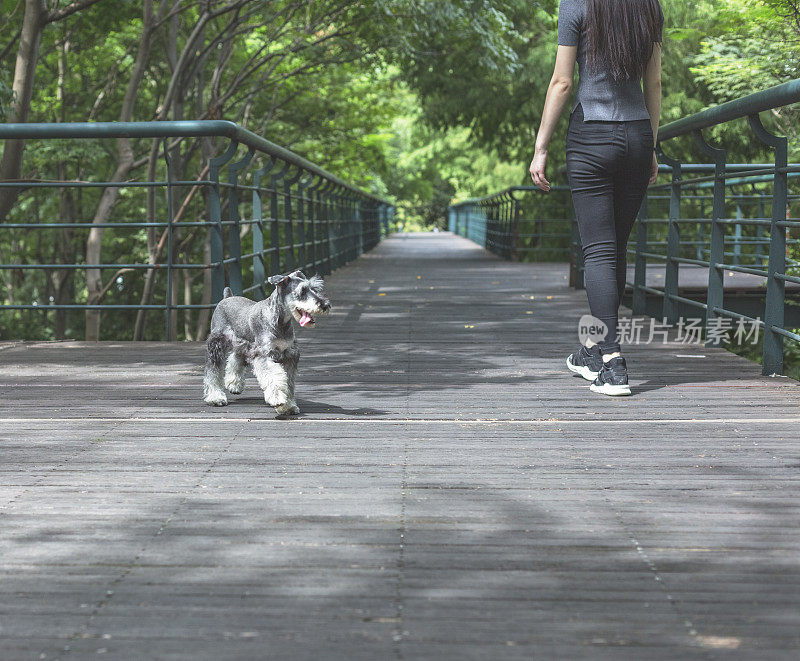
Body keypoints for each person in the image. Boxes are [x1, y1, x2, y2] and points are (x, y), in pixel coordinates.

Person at [529, 0, 663, 396]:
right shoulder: (649, 7)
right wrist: (651, 146)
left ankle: (612, 362)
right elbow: (653, 83)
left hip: (591, 137)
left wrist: (541, 148)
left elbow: (563, 82)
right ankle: (592, 348)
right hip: (637, 135)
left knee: (599, 252)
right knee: (614, 250)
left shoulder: (576, 5)